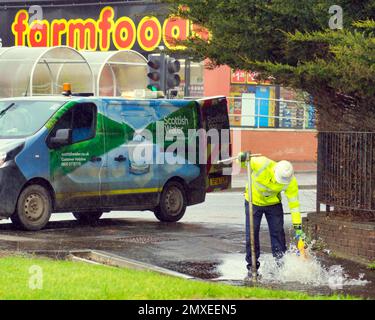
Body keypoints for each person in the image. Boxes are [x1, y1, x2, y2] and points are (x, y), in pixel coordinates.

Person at [239, 153, 305, 276]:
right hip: (253, 201)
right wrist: (242, 157)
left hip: (273, 204)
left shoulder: (291, 182)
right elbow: (242, 163)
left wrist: (299, 232)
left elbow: (295, 207)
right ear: (274, 171)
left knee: (278, 235)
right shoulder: (261, 163)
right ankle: (252, 267)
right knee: (252, 236)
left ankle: (281, 267)